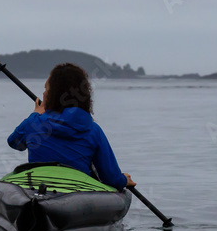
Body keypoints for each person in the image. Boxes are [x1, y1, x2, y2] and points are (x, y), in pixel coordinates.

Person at [7, 63, 135, 191]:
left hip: (40, 192)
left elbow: (15, 143)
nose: (43, 93)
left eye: (46, 89)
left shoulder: (33, 123)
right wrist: (124, 180)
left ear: (53, 95)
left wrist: (35, 114)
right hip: (78, 195)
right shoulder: (93, 130)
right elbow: (111, 178)